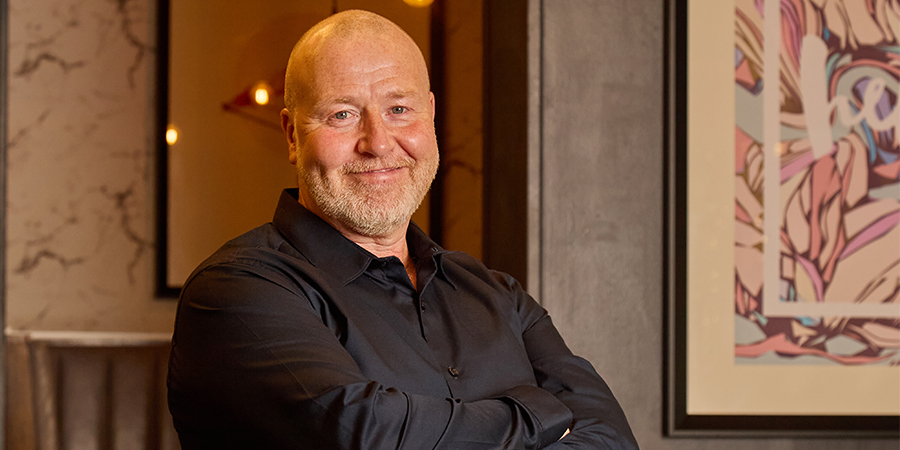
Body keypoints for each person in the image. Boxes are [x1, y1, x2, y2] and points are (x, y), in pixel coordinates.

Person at [166, 9, 638, 450]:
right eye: (342, 115)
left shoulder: (499, 296)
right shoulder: (235, 292)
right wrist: (540, 415)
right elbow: (364, 433)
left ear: (430, 116)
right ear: (293, 135)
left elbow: (612, 438)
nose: (377, 143)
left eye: (398, 110)